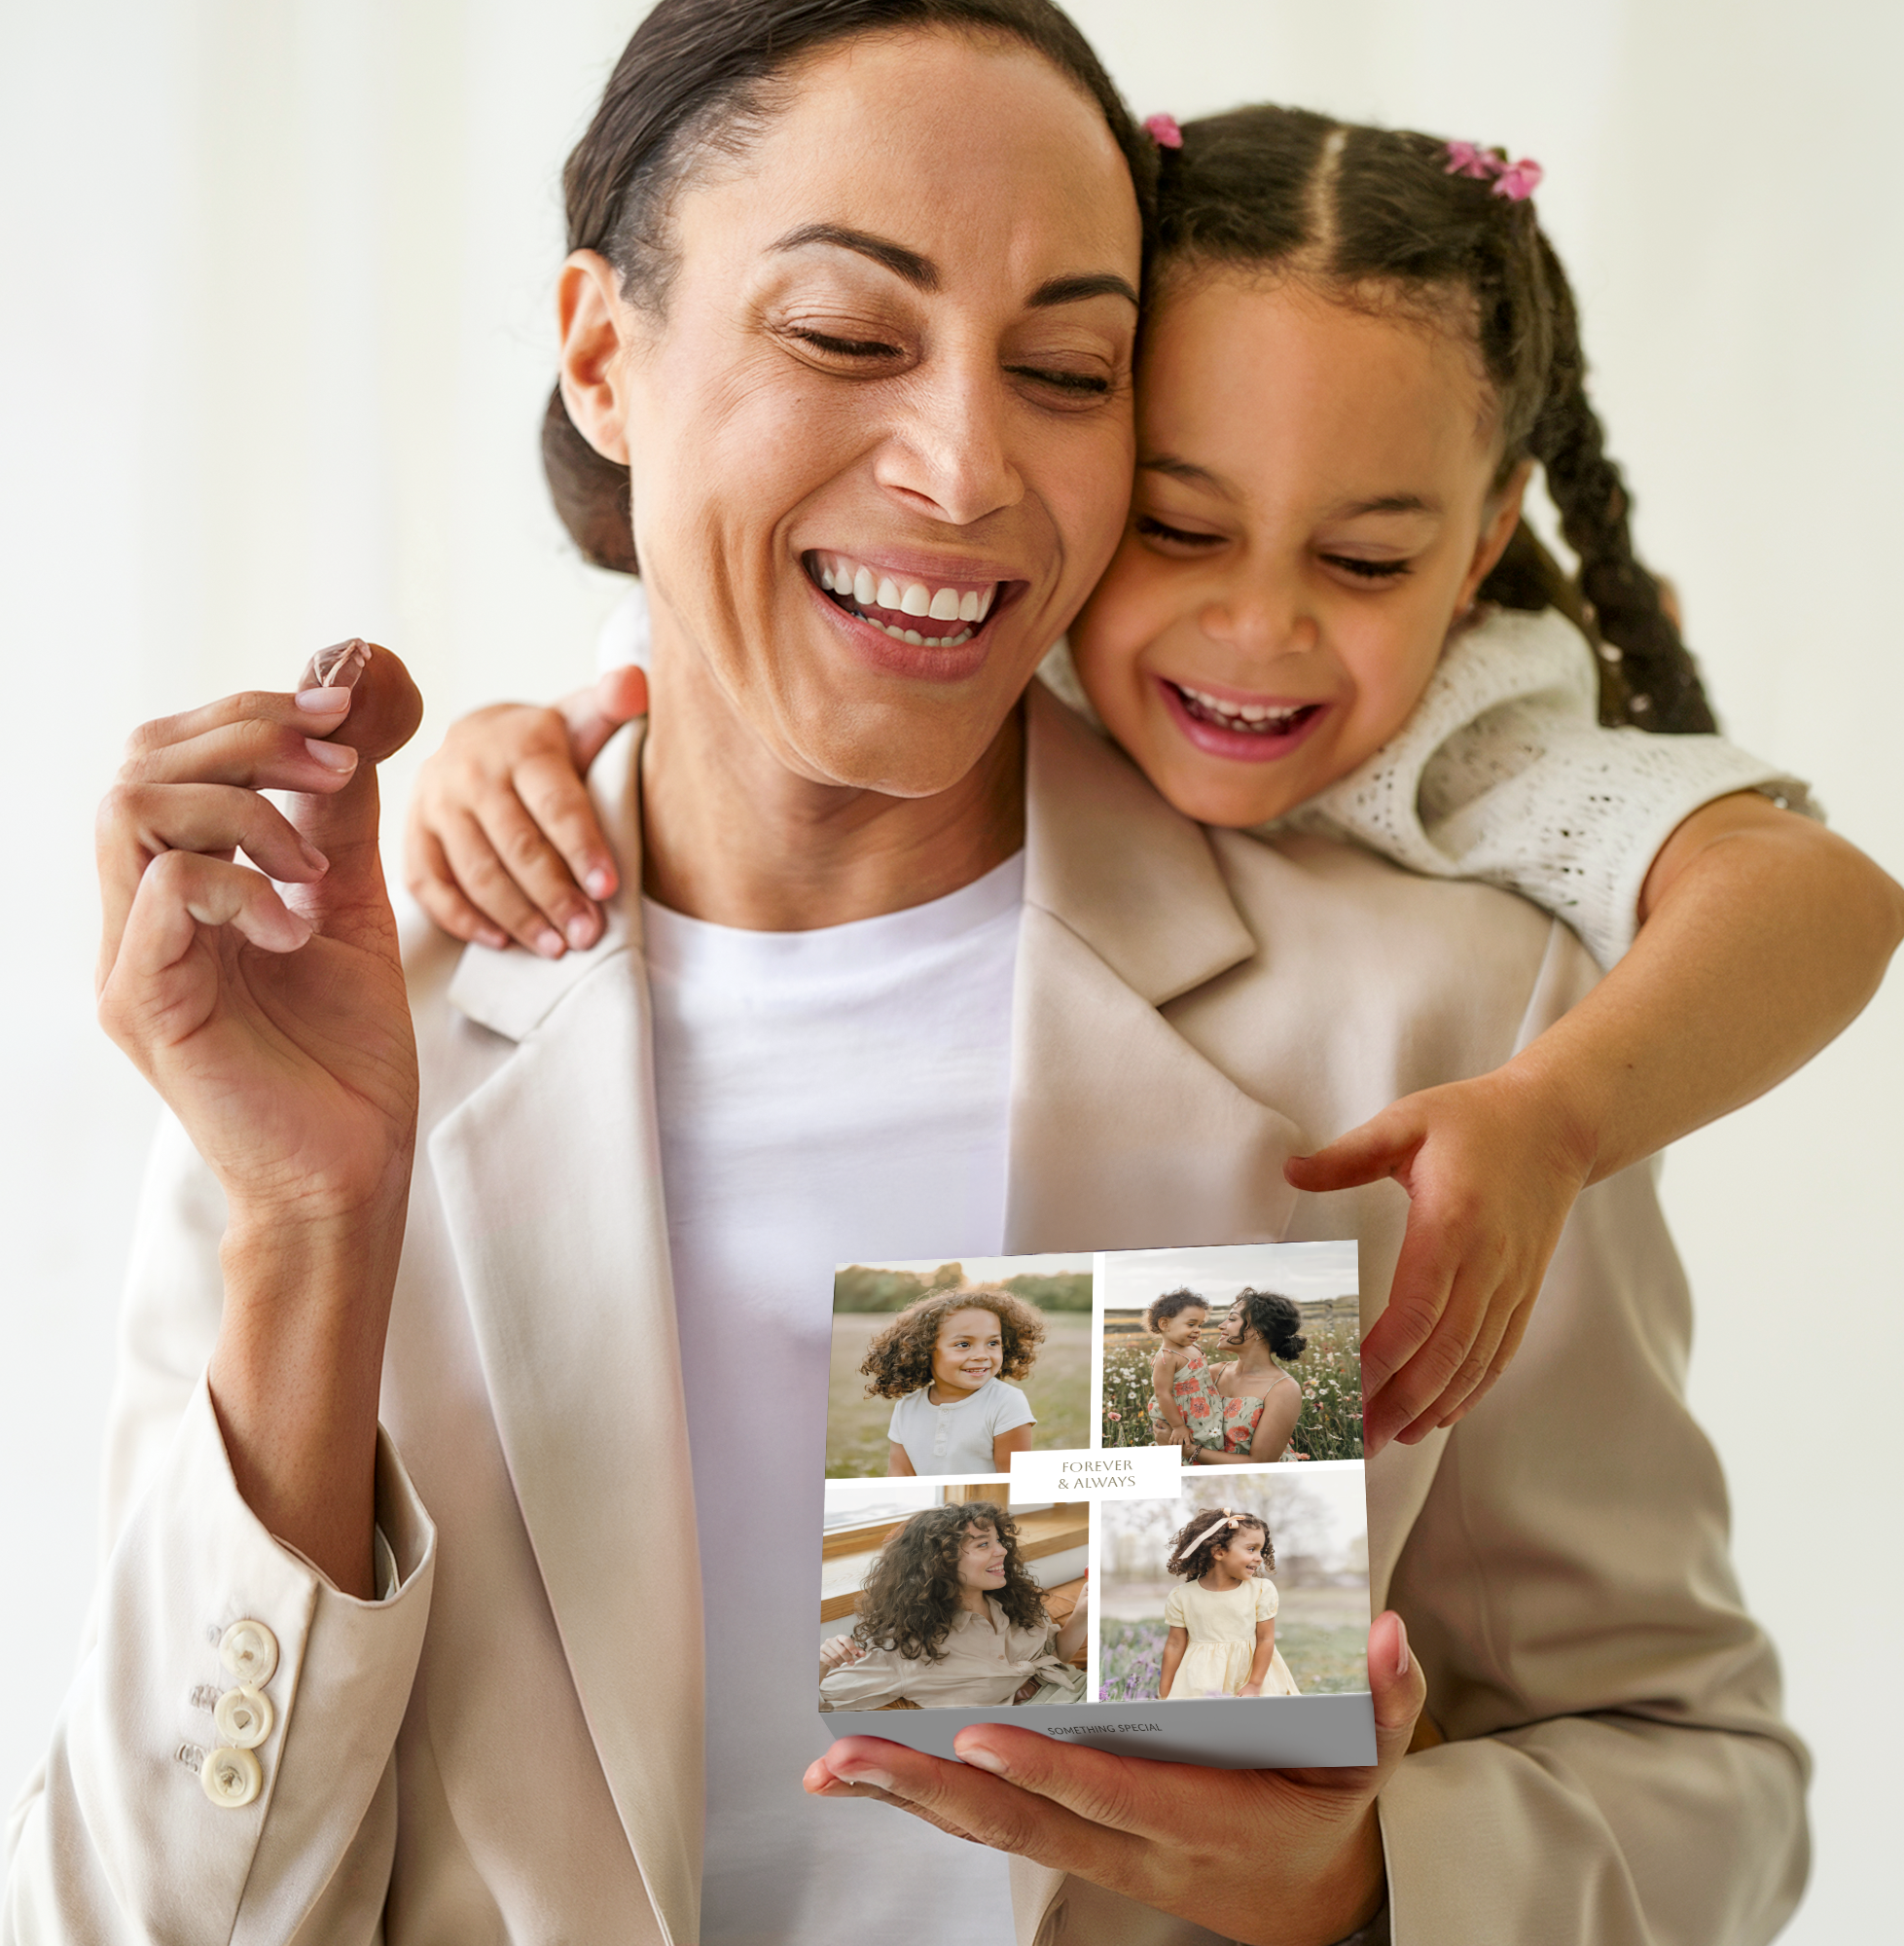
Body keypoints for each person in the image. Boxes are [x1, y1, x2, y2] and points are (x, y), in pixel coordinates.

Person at [12, 5, 1811, 1944]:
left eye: (1064, 367)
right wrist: (305, 1216)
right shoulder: (344, 1023)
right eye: (849, 336)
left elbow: (1697, 1773)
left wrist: (1370, 1883)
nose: (961, 467)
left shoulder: (1441, 1022)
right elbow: (137, 1917)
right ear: (606, 357)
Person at [406, 106, 1904, 1457]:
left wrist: (1557, 1114)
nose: (1259, 633)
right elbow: (696, 658)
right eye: (1177, 529)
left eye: (1368, 560)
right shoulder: (982, 601)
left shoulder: (1467, 742)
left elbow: (1824, 891)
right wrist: (507, 745)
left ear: (1481, 544)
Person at [818, 1503, 1086, 1709]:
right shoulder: (902, 1651)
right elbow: (818, 1703)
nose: (1002, 1551)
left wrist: (1084, 1611)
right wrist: (820, 1663)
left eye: (998, 1542)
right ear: (940, 1562)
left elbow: (1057, 1656)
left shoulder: (1014, 1601)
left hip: (1086, 1688)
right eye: (984, 1544)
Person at [862, 1287, 1042, 1476]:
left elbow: (1013, 1481)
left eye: (993, 1343)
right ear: (924, 1350)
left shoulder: (1006, 1402)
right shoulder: (906, 1407)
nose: (982, 1355)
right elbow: (900, 1476)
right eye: (963, 1344)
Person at [1156, 1509, 1299, 1700]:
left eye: (1260, 1550)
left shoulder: (1261, 1590)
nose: (1259, 1557)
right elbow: (1174, 1645)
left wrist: (1255, 1684)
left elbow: (1266, 1639)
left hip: (1250, 1678)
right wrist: (1165, 1691)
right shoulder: (1183, 1596)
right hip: (1201, 1680)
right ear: (1219, 1552)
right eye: (1251, 1549)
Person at [1176, 1288, 1308, 1466]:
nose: (1221, 1326)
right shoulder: (1211, 1374)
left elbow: (1260, 1462)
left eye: (1232, 1319)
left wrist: (1188, 1450)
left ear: (1260, 1330)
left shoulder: (1283, 1389)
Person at [1144, 1287, 1220, 1451]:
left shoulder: (1193, 1347)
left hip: (1203, 1405)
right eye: (1191, 1324)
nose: (1197, 1330)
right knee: (1190, 1442)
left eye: (1200, 1325)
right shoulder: (1167, 1358)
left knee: (1211, 1439)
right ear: (1165, 1324)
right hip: (1182, 1414)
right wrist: (1178, 1426)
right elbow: (1162, 1393)